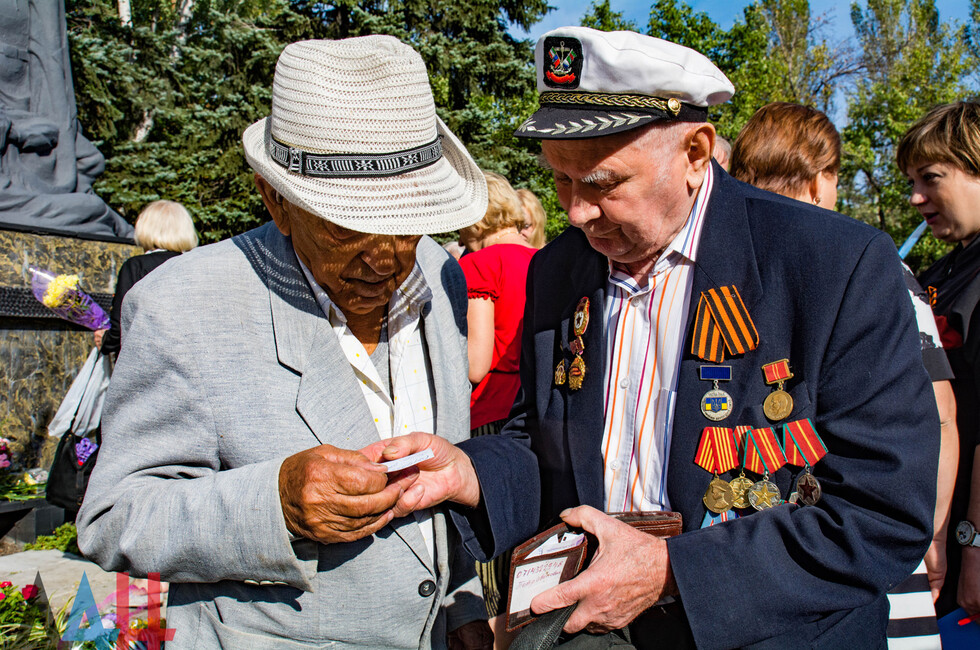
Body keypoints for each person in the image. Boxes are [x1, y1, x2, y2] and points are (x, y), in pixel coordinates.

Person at [381, 27, 940, 649]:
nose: (576, 211)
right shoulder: (558, 270)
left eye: (602, 182)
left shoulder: (834, 263)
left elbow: (882, 511)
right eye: (560, 180)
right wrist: (470, 472)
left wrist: (672, 572)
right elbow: (541, 442)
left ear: (695, 153)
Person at [76, 36, 493, 649]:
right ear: (275, 200)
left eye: (408, 222)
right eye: (348, 225)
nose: (386, 258)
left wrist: (460, 606)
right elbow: (114, 518)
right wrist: (274, 504)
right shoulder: (182, 302)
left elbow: (442, 480)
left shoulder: (439, 273)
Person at [732, 101, 958, 648]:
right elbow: (939, 414)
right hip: (857, 532)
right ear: (819, 180)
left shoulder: (716, 266)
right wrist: (932, 533)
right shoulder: (867, 264)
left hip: (747, 544)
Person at [901, 100, 980, 621]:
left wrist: (975, 544)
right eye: (912, 181)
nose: (916, 198)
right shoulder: (941, 272)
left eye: (931, 177)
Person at [456, 171, 537, 630]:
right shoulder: (543, 259)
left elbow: (476, 363)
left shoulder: (479, 266)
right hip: (537, 415)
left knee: (492, 547)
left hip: (492, 414)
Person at [95, 200, 199, 354]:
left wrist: (105, 341)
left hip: (147, 358)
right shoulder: (194, 266)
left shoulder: (136, 267)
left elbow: (122, 324)